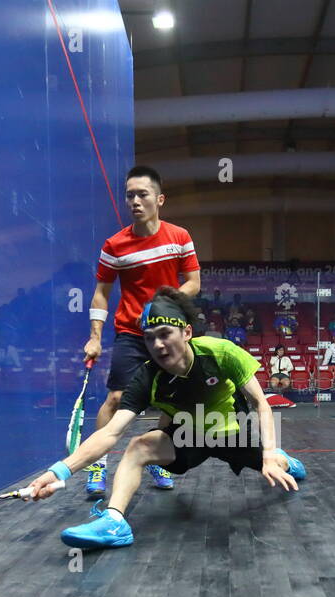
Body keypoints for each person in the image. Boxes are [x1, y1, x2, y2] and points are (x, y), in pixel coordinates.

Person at [26, 288, 306, 549]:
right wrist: (58, 471)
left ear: (186, 332)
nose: (157, 345)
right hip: (188, 439)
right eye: (149, 338)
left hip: (232, 433)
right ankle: (114, 523)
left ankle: (285, 459)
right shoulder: (147, 377)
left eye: (164, 334)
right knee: (138, 446)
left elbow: (261, 403)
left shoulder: (221, 352)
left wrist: (269, 453)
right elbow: (111, 432)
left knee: (277, 464)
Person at [84, 165, 201, 498]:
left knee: (168, 402)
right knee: (117, 398)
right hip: (131, 333)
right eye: (129, 195)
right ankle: (97, 465)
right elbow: (101, 294)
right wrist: (95, 336)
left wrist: (163, 305)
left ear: (160, 199)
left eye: (142, 194)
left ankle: (152, 458)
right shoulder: (115, 245)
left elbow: (193, 283)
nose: (135, 200)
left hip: (169, 332)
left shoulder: (179, 237)